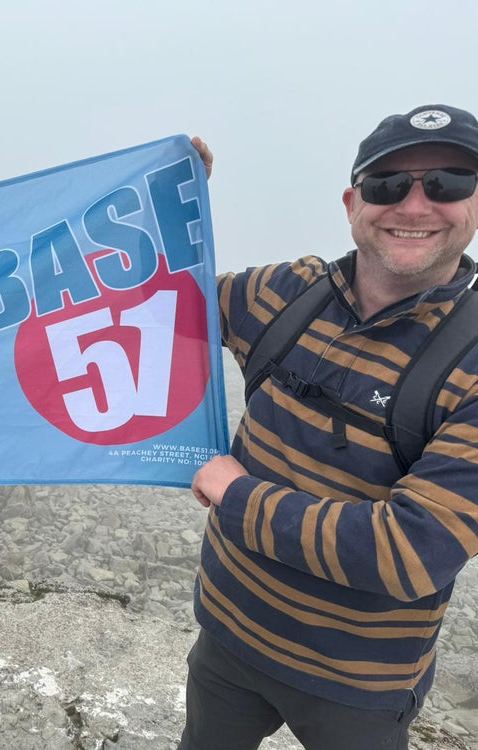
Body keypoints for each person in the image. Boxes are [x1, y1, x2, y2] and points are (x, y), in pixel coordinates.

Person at [181, 105, 478, 750]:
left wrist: (234, 493)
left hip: (358, 687)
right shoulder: (288, 291)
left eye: (447, 184)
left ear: (475, 204)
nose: (415, 205)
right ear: (353, 203)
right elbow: (163, 308)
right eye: (388, 185)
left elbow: (412, 551)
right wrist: (164, 213)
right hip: (228, 636)